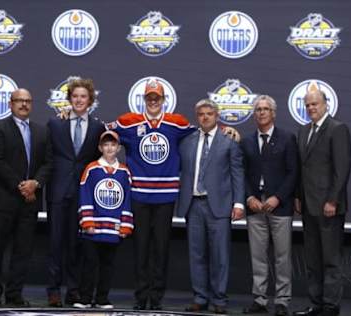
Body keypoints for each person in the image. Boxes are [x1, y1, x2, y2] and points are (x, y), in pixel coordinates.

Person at [111, 79, 195, 310]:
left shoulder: (176, 123)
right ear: (144, 99)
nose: (153, 100)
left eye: (157, 96)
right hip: (139, 195)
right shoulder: (130, 122)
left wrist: (228, 130)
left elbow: (200, 135)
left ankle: (156, 296)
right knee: (141, 248)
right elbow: (102, 130)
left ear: (163, 99)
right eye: (150, 96)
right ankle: (141, 296)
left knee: (161, 248)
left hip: (165, 197)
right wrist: (69, 115)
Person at [0, 88, 53, 307]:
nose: (24, 104)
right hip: (4, 200)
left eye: (28, 101)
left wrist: (35, 183)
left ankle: (14, 295)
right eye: (19, 101)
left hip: (30, 203)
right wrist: (21, 185)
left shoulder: (42, 131)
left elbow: (48, 163)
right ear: (10, 103)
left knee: (23, 252)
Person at [177, 99, 244, 315]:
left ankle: (219, 299)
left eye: (209, 113)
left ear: (217, 115)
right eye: (201, 114)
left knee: (220, 256)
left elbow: (237, 174)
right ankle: (200, 297)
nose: (205, 117)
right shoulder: (188, 141)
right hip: (193, 204)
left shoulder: (229, 141)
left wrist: (239, 202)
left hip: (220, 205)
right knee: (197, 254)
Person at [46, 78, 105, 307]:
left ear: (90, 101)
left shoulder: (98, 127)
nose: (79, 100)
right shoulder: (55, 124)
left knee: (76, 245)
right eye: (75, 96)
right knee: (55, 244)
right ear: (69, 99)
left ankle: (73, 290)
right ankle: (53, 290)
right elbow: (49, 159)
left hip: (82, 195)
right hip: (58, 192)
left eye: (83, 96)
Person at [293, 90, 351, 316]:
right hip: (308, 206)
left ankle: (330, 306)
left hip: (329, 206)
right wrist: (298, 196)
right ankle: (316, 303)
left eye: (315, 104)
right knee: (313, 260)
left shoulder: (338, 129)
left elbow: (341, 169)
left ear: (326, 104)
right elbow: (302, 168)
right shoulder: (304, 130)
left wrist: (333, 200)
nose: (311, 108)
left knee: (330, 259)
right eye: (307, 105)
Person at [241, 95, 298, 316]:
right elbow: (242, 175)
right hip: (255, 206)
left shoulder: (287, 138)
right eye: (258, 109)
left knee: (282, 256)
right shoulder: (246, 141)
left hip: (279, 206)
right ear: (254, 114)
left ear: (273, 113)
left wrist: (278, 197)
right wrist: (249, 198)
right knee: (258, 256)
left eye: (266, 109)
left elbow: (294, 172)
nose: (262, 112)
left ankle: (282, 301)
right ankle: (260, 300)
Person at [73, 130, 133, 309]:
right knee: (89, 264)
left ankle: (102, 298)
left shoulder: (124, 172)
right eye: (106, 145)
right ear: (100, 147)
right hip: (94, 228)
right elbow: (85, 195)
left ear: (118, 147)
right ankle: (85, 297)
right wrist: (88, 222)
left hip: (113, 228)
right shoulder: (92, 169)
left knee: (107, 265)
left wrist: (125, 225)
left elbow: (127, 199)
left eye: (113, 145)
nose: (109, 148)